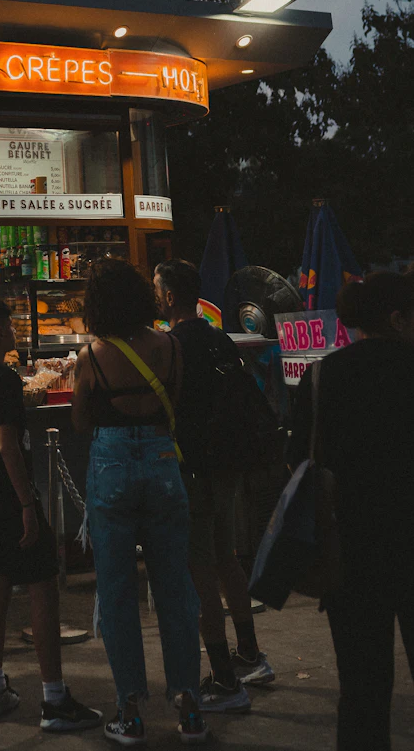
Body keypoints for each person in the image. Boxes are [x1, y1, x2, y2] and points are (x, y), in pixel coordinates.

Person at [0, 296, 102, 733]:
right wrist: (28, 505)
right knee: (42, 587)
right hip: (10, 497)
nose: (14, 330)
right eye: (9, 325)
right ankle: (54, 699)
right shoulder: (5, 380)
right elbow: (8, 447)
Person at [72, 258, 206, 746]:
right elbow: (175, 401)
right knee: (175, 589)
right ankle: (190, 708)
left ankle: (129, 713)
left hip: (110, 466)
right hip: (161, 461)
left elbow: (81, 421)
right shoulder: (169, 346)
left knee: (117, 592)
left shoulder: (92, 354)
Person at [289, 271, 414, 751]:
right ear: (398, 318)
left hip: (350, 551)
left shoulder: (323, 375)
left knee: (362, 690)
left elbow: (301, 459)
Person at [154, 259, 270, 707]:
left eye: (157, 288)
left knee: (199, 568)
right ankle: (250, 654)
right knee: (226, 559)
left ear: (167, 296)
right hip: (227, 465)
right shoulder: (217, 337)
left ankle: (223, 678)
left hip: (194, 467)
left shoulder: (171, 344)